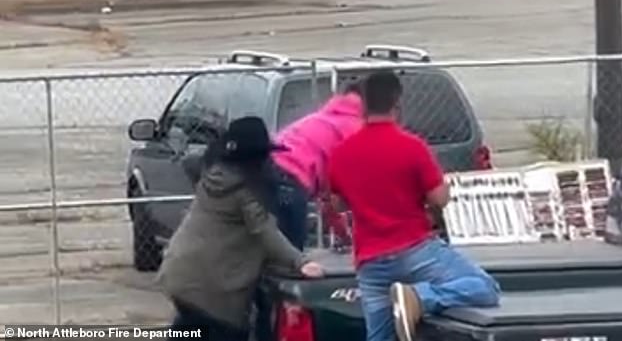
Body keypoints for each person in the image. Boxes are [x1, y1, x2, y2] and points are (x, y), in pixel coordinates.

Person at [328, 71, 500, 341]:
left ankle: (407, 301)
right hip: (416, 251)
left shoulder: (341, 153)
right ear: (398, 104)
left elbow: (337, 204)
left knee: (379, 336)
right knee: (483, 287)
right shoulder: (412, 147)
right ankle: (419, 298)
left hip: (370, 261)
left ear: (363, 106)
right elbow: (439, 198)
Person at [159, 116, 324, 341]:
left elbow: (189, 162)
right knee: (227, 332)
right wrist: (301, 262)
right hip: (214, 289)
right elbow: (266, 233)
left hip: (180, 274)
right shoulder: (247, 192)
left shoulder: (213, 172)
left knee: (190, 327)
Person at [271, 82, 365, 249]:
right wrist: (346, 236)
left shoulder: (324, 118)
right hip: (291, 176)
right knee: (292, 254)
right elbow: (339, 194)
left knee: (272, 246)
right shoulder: (354, 128)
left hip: (265, 166)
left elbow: (329, 195)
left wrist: (341, 232)